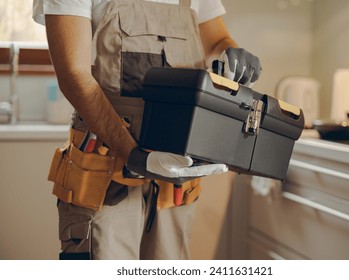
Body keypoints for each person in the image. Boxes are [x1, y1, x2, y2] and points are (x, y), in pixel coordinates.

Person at [33, 0, 261, 260]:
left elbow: (216, 40)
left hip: (174, 177)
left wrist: (230, 51)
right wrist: (134, 156)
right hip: (106, 172)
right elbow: (74, 75)